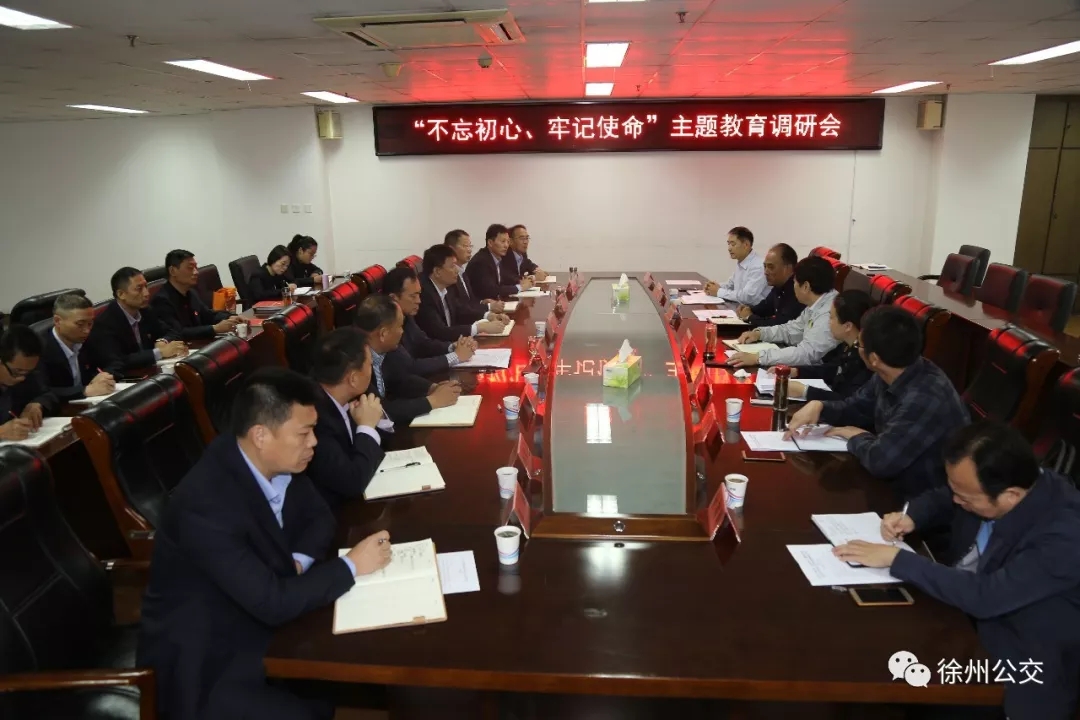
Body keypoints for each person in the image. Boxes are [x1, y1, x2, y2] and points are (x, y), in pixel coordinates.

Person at [137, 367, 393, 720]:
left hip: (261, 615)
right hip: (209, 660)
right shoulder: (204, 505)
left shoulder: (275, 461)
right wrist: (351, 566)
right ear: (260, 435)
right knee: (311, 706)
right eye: (303, 433)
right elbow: (272, 603)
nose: (314, 442)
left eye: (314, 430)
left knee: (356, 665)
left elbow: (320, 518)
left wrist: (297, 563)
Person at [833, 422, 1080, 720]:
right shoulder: (1012, 486)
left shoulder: (1066, 536)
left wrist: (898, 559)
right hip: (959, 620)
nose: (956, 500)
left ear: (1011, 496)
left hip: (1015, 663)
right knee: (859, 647)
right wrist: (913, 516)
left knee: (876, 668)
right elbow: (947, 496)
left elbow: (987, 596)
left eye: (965, 498)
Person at [787, 305, 969, 498]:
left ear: (874, 358)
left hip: (921, 499)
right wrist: (820, 406)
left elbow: (881, 461)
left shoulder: (924, 397)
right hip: (892, 485)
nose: (856, 349)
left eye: (859, 345)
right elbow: (856, 408)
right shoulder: (890, 371)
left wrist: (856, 435)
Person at [354, 294, 462, 427]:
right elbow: (381, 411)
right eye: (400, 326)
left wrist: (432, 388)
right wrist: (432, 401)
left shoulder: (385, 349)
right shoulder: (357, 361)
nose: (402, 332)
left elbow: (400, 379)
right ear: (383, 334)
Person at [307, 328, 385, 510]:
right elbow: (352, 482)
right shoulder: (315, 419)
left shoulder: (340, 395)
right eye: (370, 365)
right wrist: (367, 427)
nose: (372, 370)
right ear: (353, 379)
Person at [730, 256, 839, 368]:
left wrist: (758, 357)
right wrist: (760, 333)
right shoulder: (817, 303)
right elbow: (791, 330)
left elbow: (806, 354)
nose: (793, 287)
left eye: (795, 282)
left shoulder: (829, 312)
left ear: (806, 287)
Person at [87, 267, 187, 376]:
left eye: (146, 286)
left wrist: (163, 341)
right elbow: (118, 361)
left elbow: (172, 330)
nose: (146, 293)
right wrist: (159, 353)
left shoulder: (146, 311)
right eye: (139, 288)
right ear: (121, 294)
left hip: (151, 371)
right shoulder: (105, 323)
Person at [384, 266, 476, 377]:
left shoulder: (406, 315)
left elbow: (423, 343)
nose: (419, 301)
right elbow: (411, 367)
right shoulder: (386, 326)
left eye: (419, 294)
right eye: (413, 296)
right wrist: (456, 356)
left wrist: (452, 347)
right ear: (393, 298)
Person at [787, 289, 874, 402]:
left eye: (832, 318)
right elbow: (832, 369)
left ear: (847, 326)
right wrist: (797, 371)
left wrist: (805, 391)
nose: (829, 322)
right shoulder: (846, 345)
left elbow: (847, 401)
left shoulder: (863, 360)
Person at [417, 244, 508, 343]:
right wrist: (479, 328)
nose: (457, 270)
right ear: (437, 271)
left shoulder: (445, 286)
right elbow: (440, 331)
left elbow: (460, 311)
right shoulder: (423, 294)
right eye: (452, 266)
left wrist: (488, 316)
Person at [37, 293, 116, 401]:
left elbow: (113, 362)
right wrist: (85, 390)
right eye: (80, 324)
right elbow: (41, 392)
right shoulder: (39, 349)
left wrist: (103, 375)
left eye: (90, 323)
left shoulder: (89, 337)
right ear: (57, 321)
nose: (87, 330)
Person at [152, 249, 240, 341]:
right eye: (190, 268)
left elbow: (207, 315)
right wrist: (214, 329)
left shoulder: (191, 292)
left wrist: (230, 317)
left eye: (196, 267)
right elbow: (177, 332)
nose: (196, 272)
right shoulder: (162, 301)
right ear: (172, 271)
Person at [0, 326, 59, 442]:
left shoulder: (27, 370)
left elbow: (49, 394)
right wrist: (1, 432)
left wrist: (37, 404)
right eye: (17, 372)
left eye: (28, 372)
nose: (22, 378)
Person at [736, 243, 803, 327]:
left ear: (788, 268)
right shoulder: (778, 286)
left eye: (771, 267)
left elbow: (781, 324)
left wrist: (750, 317)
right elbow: (765, 308)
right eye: (765, 267)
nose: (766, 272)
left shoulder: (798, 290)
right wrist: (748, 309)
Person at [443, 229, 505, 319]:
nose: (469, 250)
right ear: (451, 249)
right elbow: (459, 308)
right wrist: (488, 307)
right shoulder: (448, 275)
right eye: (465, 246)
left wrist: (482, 302)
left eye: (470, 246)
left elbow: (469, 301)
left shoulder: (462, 272)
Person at [463, 223, 535, 301]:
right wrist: (520, 287)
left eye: (508, 242)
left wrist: (523, 280)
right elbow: (492, 290)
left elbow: (504, 280)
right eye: (503, 241)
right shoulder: (481, 262)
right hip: (480, 305)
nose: (506, 245)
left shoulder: (496, 258)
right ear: (490, 243)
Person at [703, 226, 769, 306]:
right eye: (728, 244)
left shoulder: (758, 266)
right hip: (740, 308)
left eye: (733, 244)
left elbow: (747, 297)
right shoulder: (742, 261)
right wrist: (714, 287)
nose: (729, 248)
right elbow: (731, 285)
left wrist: (718, 291)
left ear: (746, 245)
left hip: (755, 311)